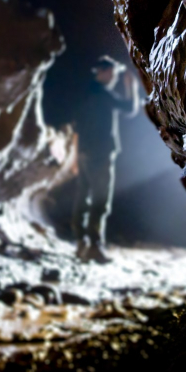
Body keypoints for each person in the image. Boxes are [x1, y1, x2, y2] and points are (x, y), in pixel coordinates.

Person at [73, 55, 141, 262]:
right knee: (100, 200)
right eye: (111, 73)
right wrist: (132, 88)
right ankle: (94, 246)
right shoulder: (103, 94)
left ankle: (80, 243)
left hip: (84, 152)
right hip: (100, 153)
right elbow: (130, 109)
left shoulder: (85, 92)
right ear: (101, 71)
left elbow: (77, 125)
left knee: (82, 198)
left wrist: (76, 154)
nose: (114, 77)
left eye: (115, 74)